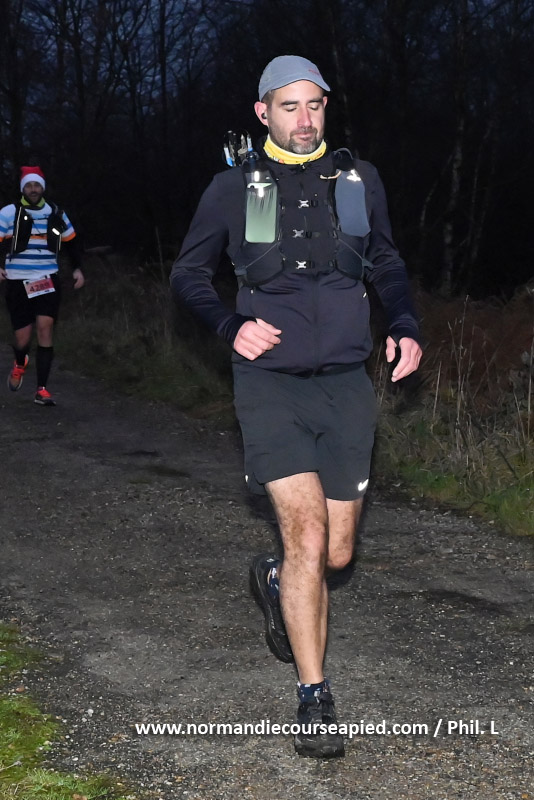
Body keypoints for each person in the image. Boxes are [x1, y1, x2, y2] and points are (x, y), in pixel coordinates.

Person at [170, 55, 422, 758]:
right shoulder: (234, 187)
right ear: (263, 113)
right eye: (289, 106)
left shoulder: (357, 180)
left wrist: (405, 323)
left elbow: (387, 262)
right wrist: (230, 326)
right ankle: (315, 698)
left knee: (336, 553)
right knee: (307, 537)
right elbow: (188, 274)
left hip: (346, 385)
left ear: (325, 107)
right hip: (269, 385)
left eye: (314, 104)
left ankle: (279, 581)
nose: (304, 119)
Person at [0, 165, 84, 405]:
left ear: (43, 188)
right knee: (23, 339)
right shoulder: (8, 213)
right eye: (29, 185)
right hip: (17, 281)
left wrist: (77, 269)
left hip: (47, 278)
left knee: (45, 329)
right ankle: (20, 362)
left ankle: (42, 390)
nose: (33, 189)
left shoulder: (56, 212)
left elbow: (71, 242)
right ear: (23, 188)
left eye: (37, 185)